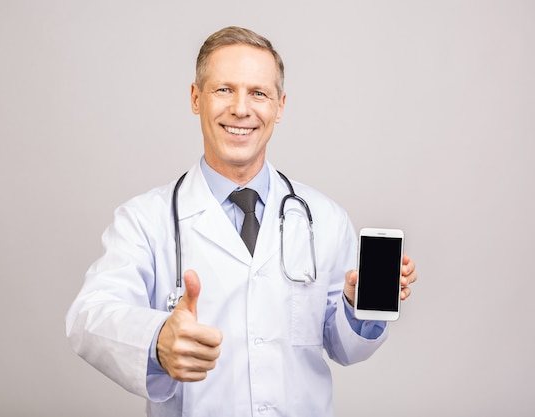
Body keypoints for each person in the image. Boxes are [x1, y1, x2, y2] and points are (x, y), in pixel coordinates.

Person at [66, 26, 417, 416]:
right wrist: (156, 340)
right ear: (196, 98)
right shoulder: (145, 220)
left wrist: (357, 307)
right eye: (224, 90)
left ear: (280, 106)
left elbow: (347, 349)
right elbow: (89, 315)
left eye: (258, 93)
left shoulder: (325, 218)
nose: (241, 109)